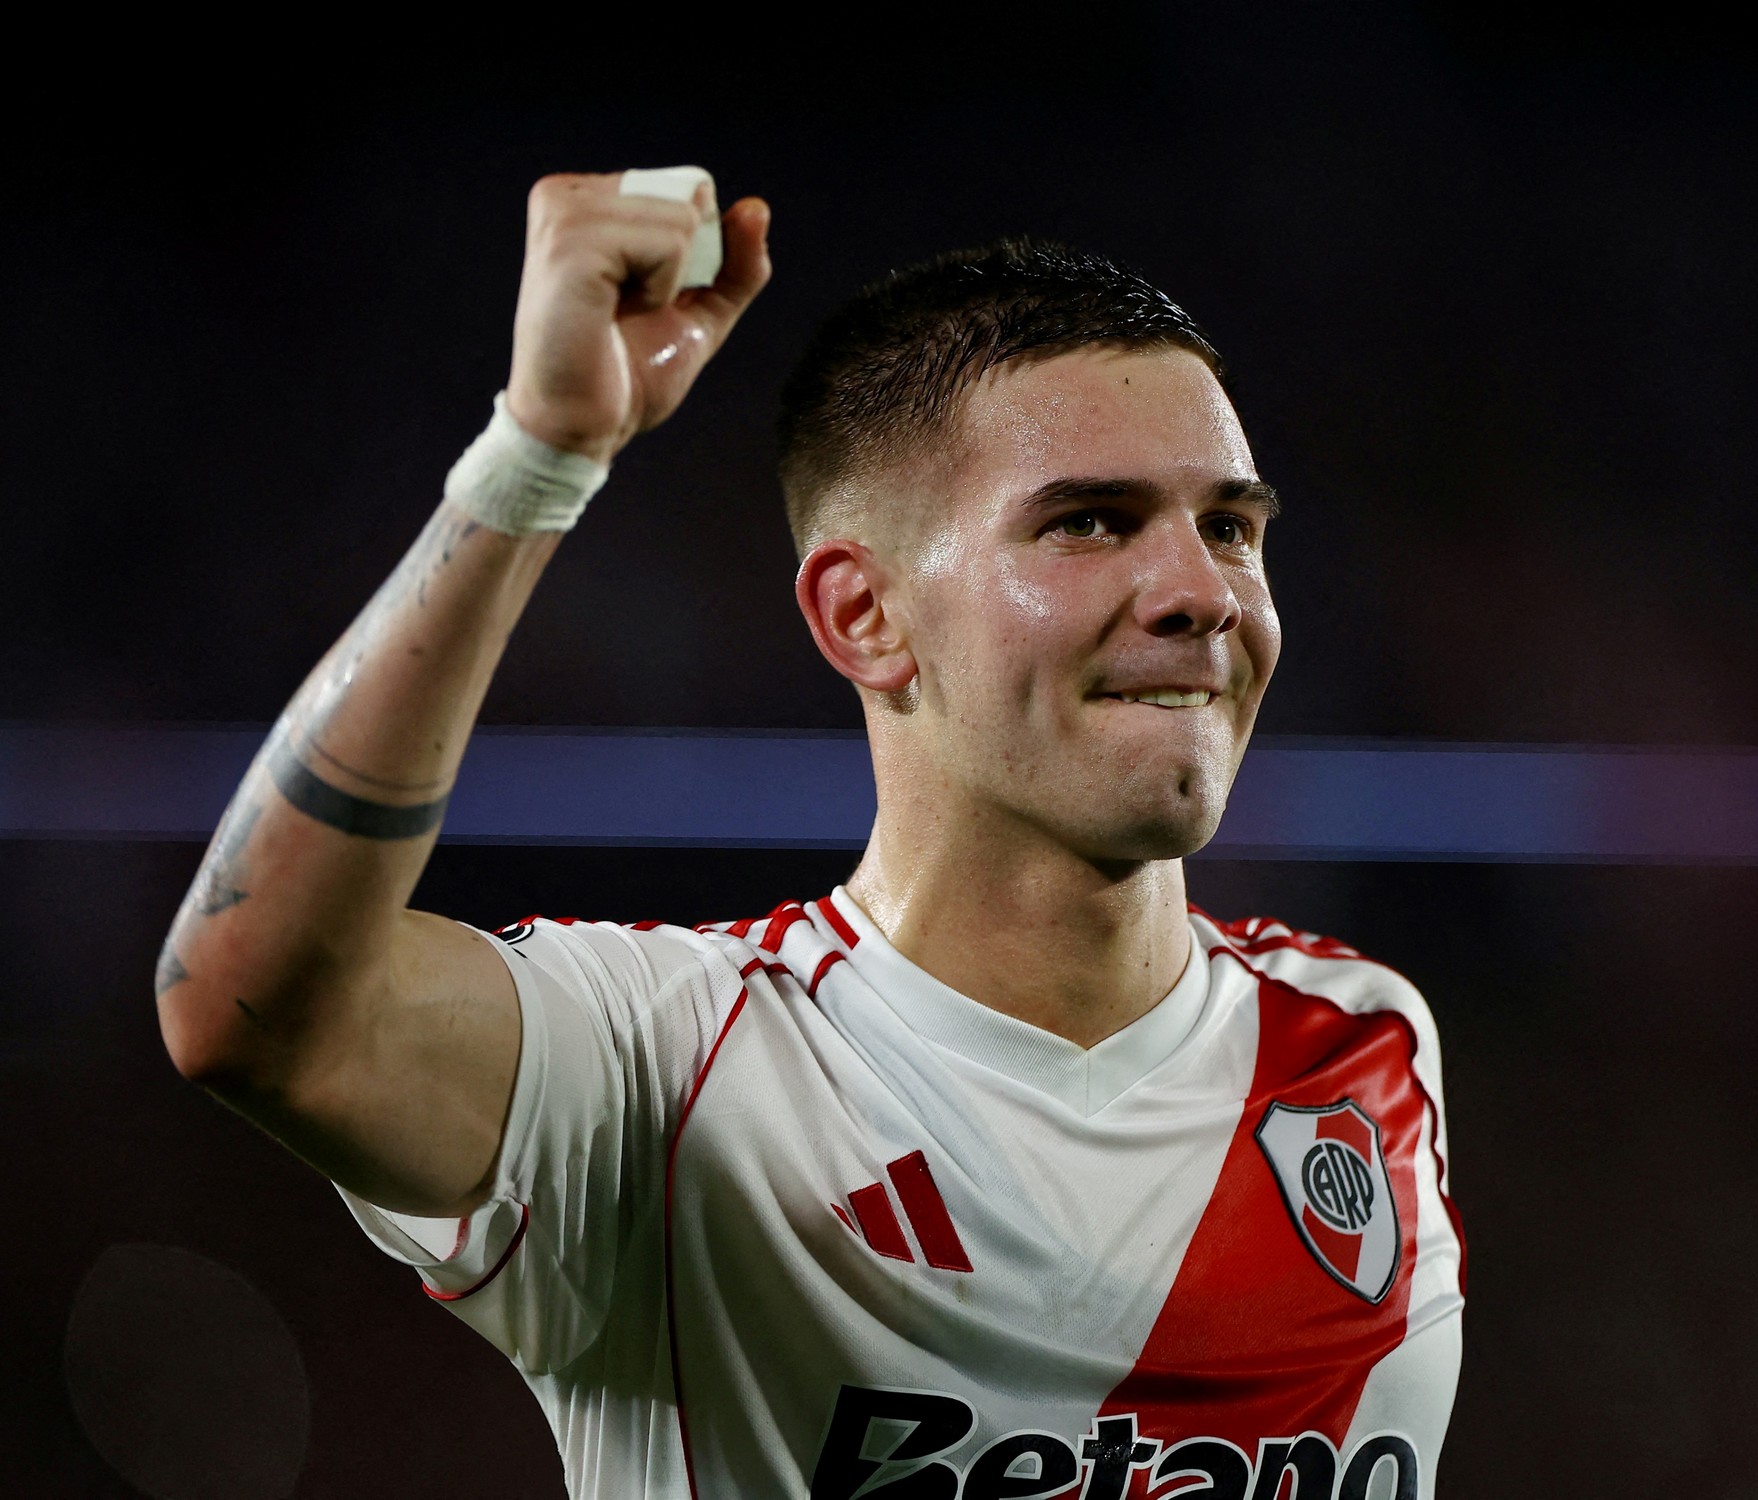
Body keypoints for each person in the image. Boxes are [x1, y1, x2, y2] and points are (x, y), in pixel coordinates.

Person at [154, 169, 1465, 1500]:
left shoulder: (1363, 1042)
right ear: (864, 618)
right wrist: (535, 459)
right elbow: (253, 1009)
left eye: (1230, 527)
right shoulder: (667, 1070)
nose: (1202, 591)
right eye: (1088, 522)